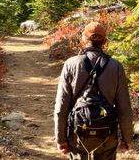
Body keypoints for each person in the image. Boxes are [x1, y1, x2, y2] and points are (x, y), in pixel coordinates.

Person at [54, 21, 133, 159]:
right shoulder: (116, 67)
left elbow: (61, 106)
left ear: (84, 39)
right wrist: (127, 138)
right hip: (107, 135)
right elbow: (124, 108)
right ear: (104, 41)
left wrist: (61, 139)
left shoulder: (71, 64)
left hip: (78, 134)